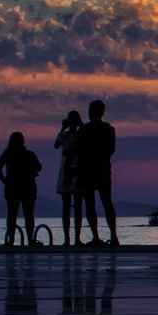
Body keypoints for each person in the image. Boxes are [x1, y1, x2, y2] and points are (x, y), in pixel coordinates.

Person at [75, 99, 119, 246]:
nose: (89, 113)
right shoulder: (107, 129)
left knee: (97, 204)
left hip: (93, 171)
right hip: (98, 170)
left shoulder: (88, 130)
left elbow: (79, 151)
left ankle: (105, 237)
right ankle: (108, 237)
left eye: (91, 110)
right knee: (101, 203)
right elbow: (110, 150)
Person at [0, 131, 43, 246]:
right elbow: (39, 167)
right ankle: (30, 240)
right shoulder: (29, 154)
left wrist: (5, 181)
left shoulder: (8, 154)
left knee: (12, 215)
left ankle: (11, 241)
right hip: (27, 188)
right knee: (28, 215)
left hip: (12, 188)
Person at [54, 110, 83, 247]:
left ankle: (75, 238)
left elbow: (56, 145)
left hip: (76, 171)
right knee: (70, 207)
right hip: (68, 171)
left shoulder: (80, 135)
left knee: (74, 207)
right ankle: (69, 239)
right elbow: (56, 145)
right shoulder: (66, 135)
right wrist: (63, 128)